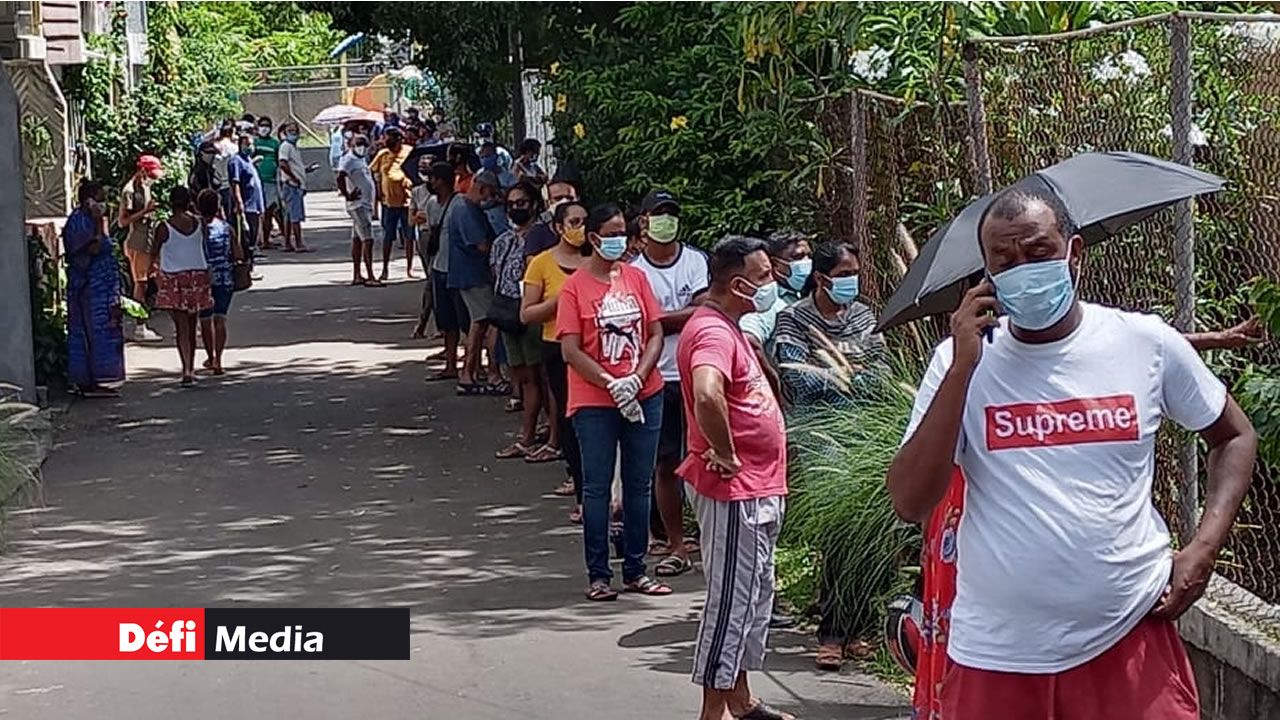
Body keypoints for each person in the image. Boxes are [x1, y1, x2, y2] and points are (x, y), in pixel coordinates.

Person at [886, 187, 1257, 720]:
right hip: (997, 655)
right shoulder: (958, 363)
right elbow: (910, 501)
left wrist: (1202, 550)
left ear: (1073, 254)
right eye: (1004, 261)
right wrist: (964, 368)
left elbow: (1234, 436)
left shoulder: (1142, 342)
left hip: (1130, 636)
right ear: (985, 274)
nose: (1023, 270)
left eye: (1038, 253)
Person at [677, 235, 790, 720]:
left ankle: (741, 702)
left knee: (752, 595)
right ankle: (713, 714)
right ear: (740, 284)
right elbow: (706, 393)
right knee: (731, 602)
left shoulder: (728, 327)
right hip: (734, 490)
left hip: (757, 486)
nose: (774, 283)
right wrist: (723, 450)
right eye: (764, 276)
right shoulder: (714, 334)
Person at [557, 202, 672, 601]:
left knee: (639, 484)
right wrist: (610, 382)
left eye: (623, 232)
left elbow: (655, 333)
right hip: (594, 401)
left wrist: (638, 376)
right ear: (593, 239)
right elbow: (570, 349)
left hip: (645, 393)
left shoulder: (637, 279)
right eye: (611, 233)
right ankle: (599, 574)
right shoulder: (575, 287)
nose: (619, 240)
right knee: (597, 487)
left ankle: (637, 569)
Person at [630, 190, 709, 578]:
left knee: (705, 455)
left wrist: (660, 319)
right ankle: (675, 543)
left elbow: (702, 309)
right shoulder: (634, 271)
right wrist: (671, 318)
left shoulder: (695, 261)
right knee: (664, 462)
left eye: (671, 214)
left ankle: (707, 537)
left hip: (696, 373)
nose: (666, 220)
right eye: (658, 214)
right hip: (655, 374)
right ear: (643, 221)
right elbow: (644, 321)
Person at [773, 241, 885, 408]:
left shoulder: (863, 315)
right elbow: (799, 378)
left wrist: (828, 372)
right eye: (844, 274)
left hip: (868, 417)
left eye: (855, 273)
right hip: (818, 423)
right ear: (820, 278)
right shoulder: (794, 318)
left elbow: (882, 368)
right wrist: (852, 372)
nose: (852, 280)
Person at [491, 182, 553, 462]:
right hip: (506, 313)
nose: (516, 208)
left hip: (533, 314)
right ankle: (531, 433)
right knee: (522, 376)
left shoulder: (543, 238)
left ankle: (538, 436)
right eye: (512, 204)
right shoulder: (503, 240)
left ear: (535, 204)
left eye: (522, 203)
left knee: (540, 376)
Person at [63, 181, 125, 398]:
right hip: (89, 289)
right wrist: (99, 224)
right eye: (98, 198)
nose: (102, 203)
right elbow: (93, 248)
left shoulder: (90, 219)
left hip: (102, 289)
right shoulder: (80, 222)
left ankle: (100, 379)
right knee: (90, 333)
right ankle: (89, 382)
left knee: (103, 332)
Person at [447, 170, 504, 395]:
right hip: (472, 275)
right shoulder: (465, 210)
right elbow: (481, 245)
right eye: (490, 193)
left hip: (470, 274)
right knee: (483, 323)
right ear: (482, 189)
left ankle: (474, 372)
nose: (489, 198)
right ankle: (476, 373)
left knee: (479, 324)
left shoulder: (467, 206)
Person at [152, 186, 214, 386]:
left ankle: (186, 368)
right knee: (192, 323)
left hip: (174, 277)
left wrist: (155, 275)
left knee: (181, 328)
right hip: (197, 275)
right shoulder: (200, 223)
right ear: (189, 202)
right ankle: (191, 367)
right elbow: (203, 244)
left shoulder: (163, 227)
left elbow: (154, 252)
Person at [426, 162, 470, 381]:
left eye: (433, 178)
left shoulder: (460, 204)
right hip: (439, 268)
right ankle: (451, 364)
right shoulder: (432, 204)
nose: (430, 182)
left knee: (467, 322)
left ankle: (472, 365)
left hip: (458, 270)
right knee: (447, 322)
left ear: (442, 179)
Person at [118, 154, 164, 343]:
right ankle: (140, 325)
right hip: (137, 242)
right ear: (143, 170)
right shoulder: (129, 191)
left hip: (148, 240)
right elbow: (123, 221)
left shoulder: (145, 186)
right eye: (151, 174)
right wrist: (145, 212)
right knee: (141, 283)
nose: (153, 179)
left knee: (155, 277)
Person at [196, 189, 243, 375]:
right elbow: (238, 254)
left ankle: (210, 356)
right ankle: (218, 360)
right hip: (225, 276)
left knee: (205, 320)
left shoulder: (196, 229)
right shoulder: (226, 228)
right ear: (217, 207)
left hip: (202, 276)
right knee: (220, 318)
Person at [370, 126, 416, 280]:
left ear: (398, 139)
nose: (384, 141)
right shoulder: (383, 154)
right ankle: (385, 269)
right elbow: (373, 172)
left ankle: (410, 268)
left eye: (388, 138)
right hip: (388, 203)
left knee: (409, 237)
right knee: (388, 237)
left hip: (407, 201)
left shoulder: (409, 151)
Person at [410, 157, 448, 338]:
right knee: (432, 280)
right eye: (422, 169)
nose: (428, 177)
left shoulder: (449, 197)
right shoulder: (418, 192)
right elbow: (412, 219)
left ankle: (430, 324)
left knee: (436, 281)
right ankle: (426, 323)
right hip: (427, 238)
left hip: (442, 238)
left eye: (429, 172)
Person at [337, 134, 379, 287]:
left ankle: (357, 274)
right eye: (359, 144)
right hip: (358, 205)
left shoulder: (360, 159)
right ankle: (370, 275)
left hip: (365, 204)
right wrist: (347, 194)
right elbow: (340, 176)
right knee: (368, 239)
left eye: (364, 144)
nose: (362, 147)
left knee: (357, 239)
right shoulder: (348, 160)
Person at [227, 132, 264, 260]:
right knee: (245, 238)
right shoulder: (236, 161)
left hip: (255, 206)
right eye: (247, 144)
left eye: (251, 144)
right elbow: (235, 183)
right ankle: (245, 266)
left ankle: (251, 264)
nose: (250, 147)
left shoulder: (248, 161)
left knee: (253, 237)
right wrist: (239, 203)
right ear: (240, 145)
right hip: (246, 207)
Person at [524, 176, 580, 257]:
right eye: (558, 198)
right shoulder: (537, 234)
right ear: (547, 203)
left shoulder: (589, 229)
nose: (565, 202)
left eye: (570, 198)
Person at [277, 121, 311, 253]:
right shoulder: (285, 146)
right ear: (285, 133)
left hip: (295, 184)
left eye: (295, 131)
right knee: (295, 216)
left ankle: (287, 243)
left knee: (290, 215)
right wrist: (294, 178)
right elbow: (283, 164)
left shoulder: (293, 148)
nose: (294, 134)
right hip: (291, 185)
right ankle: (298, 243)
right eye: (290, 131)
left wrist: (304, 170)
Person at [253, 115, 282, 250]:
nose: (264, 128)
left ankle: (266, 239)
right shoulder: (254, 143)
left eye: (267, 125)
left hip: (271, 181)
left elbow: (279, 160)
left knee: (270, 210)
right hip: (257, 181)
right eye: (262, 125)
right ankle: (259, 239)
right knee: (259, 212)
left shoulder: (275, 143)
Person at [212, 120, 238, 215]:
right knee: (230, 215)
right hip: (229, 185)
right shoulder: (233, 148)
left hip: (217, 184)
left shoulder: (215, 146)